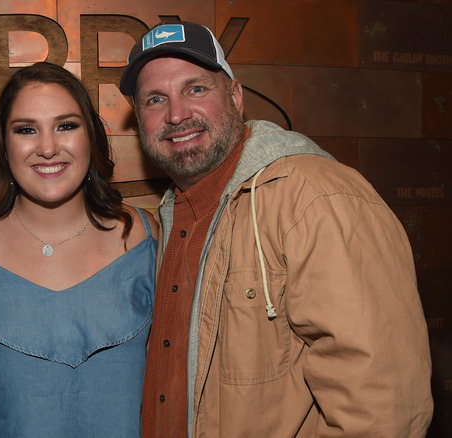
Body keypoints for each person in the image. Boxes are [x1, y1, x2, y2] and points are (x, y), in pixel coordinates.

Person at [119, 21, 434, 437]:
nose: (177, 114)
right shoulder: (171, 217)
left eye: (196, 89)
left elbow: (382, 409)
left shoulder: (315, 197)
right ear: (140, 118)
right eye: (155, 99)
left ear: (235, 96)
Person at [0, 61, 159, 437]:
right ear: (3, 144)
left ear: (90, 135)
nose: (47, 148)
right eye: (26, 129)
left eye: (66, 126)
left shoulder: (145, 236)